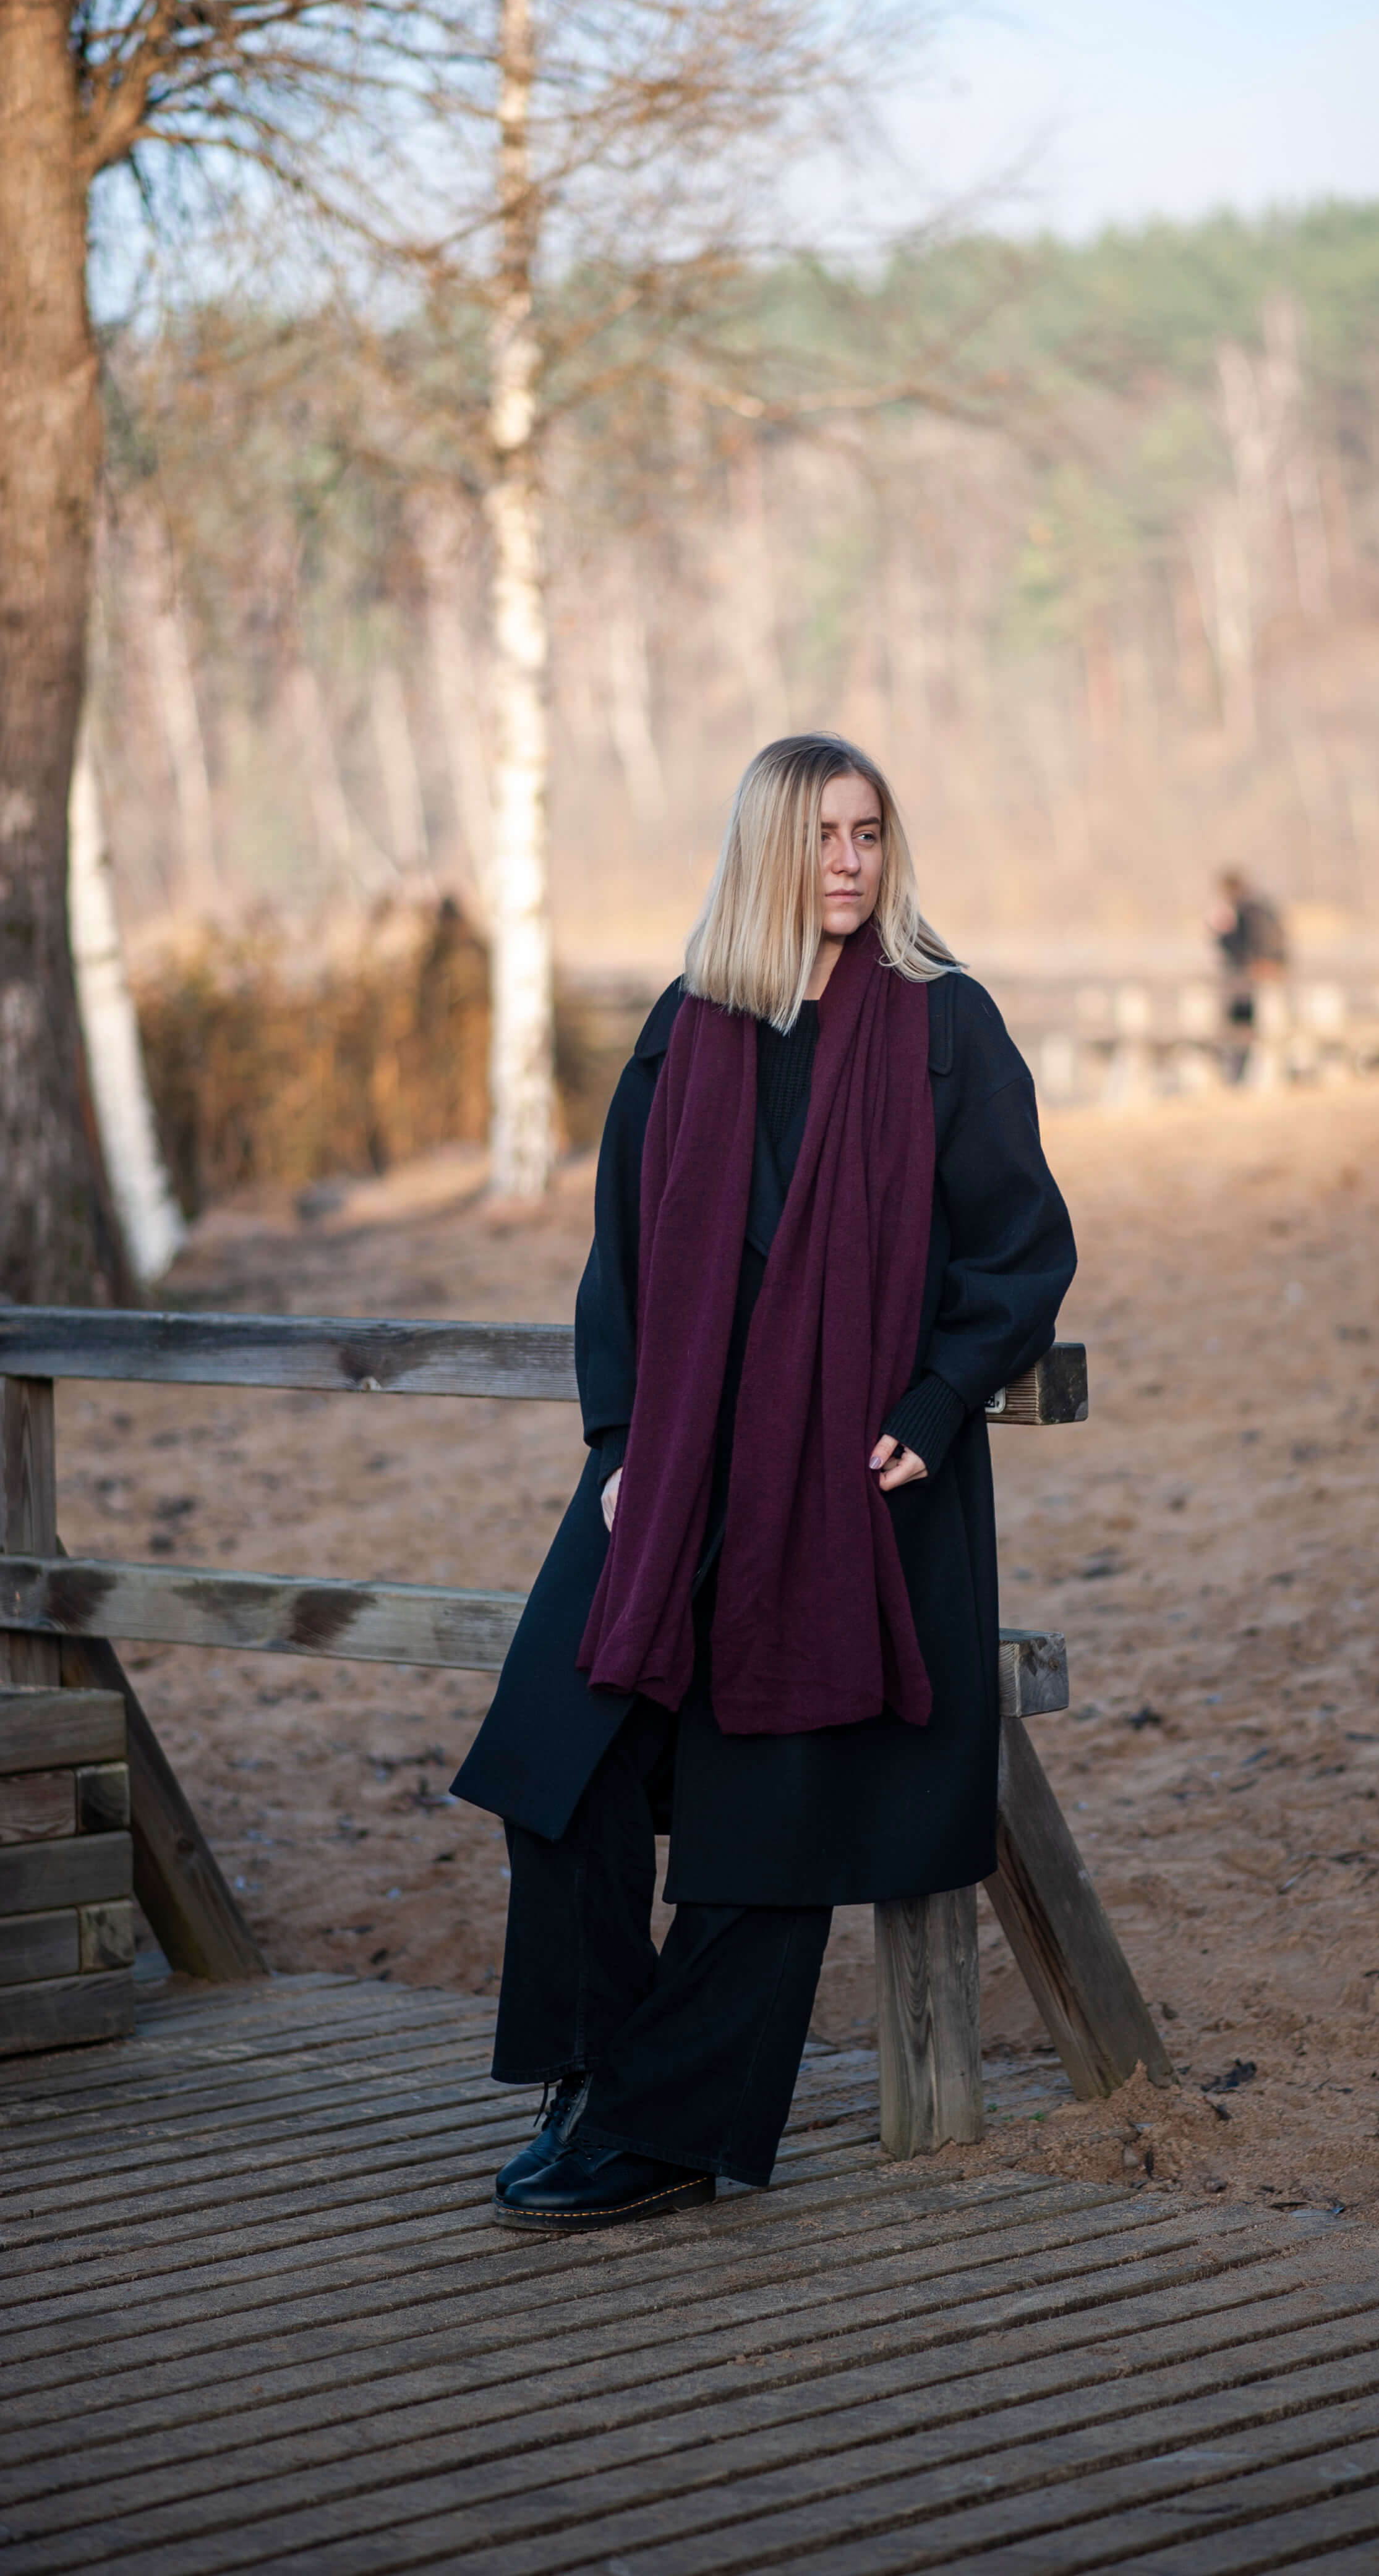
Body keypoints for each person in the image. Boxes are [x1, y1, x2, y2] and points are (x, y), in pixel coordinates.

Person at [451, 733, 1077, 2234]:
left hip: (851, 1491)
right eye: (820, 837)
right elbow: (620, 1263)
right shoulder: (688, 1028)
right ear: (763, 853)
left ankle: (665, 2129)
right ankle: (600, 2070)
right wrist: (619, 1446)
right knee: (561, 1760)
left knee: (766, 1818)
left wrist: (933, 1403)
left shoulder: (943, 1026)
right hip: (669, 1477)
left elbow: (1021, 1251)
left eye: (869, 834)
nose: (850, 862)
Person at [1210, 866, 1289, 1081]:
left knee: (1248, 1030)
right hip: (1262, 977)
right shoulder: (1261, 907)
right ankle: (1251, 1077)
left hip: (1252, 979)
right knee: (1257, 1030)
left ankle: (1246, 1078)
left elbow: (1242, 946)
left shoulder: (1248, 911)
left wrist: (1221, 934)